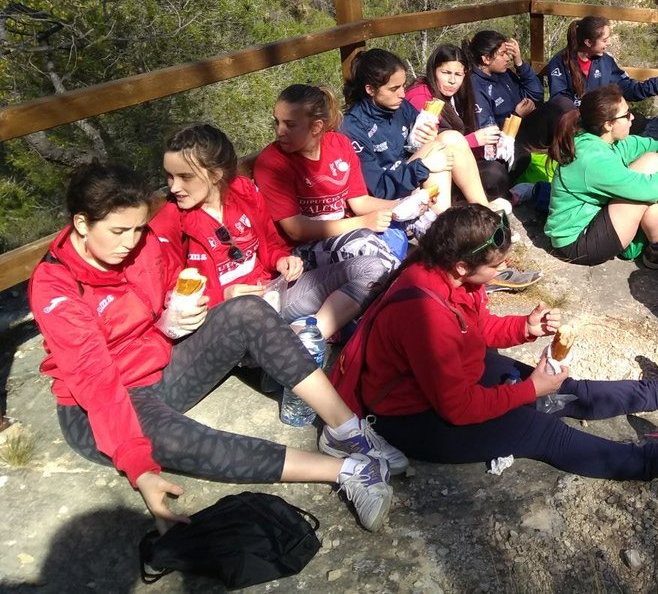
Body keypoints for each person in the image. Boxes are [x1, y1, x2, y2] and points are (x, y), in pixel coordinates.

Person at [29, 164, 404, 534]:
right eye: (118, 231)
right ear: (81, 223)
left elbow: (174, 285)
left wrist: (186, 310)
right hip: (101, 403)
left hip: (161, 363)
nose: (130, 241)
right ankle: (350, 472)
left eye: (139, 228)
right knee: (181, 439)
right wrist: (139, 469)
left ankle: (346, 430)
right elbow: (96, 381)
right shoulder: (55, 288)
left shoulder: (142, 245)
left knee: (247, 310)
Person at [331, 204, 658, 485]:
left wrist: (525, 328)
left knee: (562, 391)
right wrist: (529, 389)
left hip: (445, 382)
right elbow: (458, 408)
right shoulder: (423, 315)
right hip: (412, 418)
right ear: (462, 266)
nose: (505, 268)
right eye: (497, 266)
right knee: (540, 429)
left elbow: (477, 329)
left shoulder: (453, 276)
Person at [152, 124, 388, 339]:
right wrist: (223, 297)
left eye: (184, 177)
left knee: (373, 268)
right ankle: (298, 341)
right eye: (169, 176)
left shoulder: (243, 192)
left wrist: (282, 260)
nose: (174, 187)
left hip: (271, 294)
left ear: (216, 174)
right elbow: (171, 299)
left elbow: (270, 245)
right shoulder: (170, 222)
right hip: (228, 321)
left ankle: (310, 336)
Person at [545, 85, 658, 273]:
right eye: (627, 114)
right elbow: (644, 190)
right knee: (646, 189)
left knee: (652, 160)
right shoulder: (592, 158)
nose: (632, 118)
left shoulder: (609, 141)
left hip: (594, 219)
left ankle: (655, 243)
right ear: (608, 124)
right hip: (577, 242)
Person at [255, 82, 414, 269]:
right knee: (371, 251)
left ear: (316, 127)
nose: (279, 131)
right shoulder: (272, 163)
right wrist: (362, 222)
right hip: (302, 250)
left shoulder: (339, 144)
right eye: (277, 122)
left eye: (290, 125)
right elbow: (296, 231)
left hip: (347, 230)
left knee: (414, 225)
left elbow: (359, 201)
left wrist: (402, 205)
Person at [339, 49, 506, 215]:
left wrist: (427, 137)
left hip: (413, 180)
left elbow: (419, 145)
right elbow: (379, 189)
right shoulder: (354, 128)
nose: (403, 94)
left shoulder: (400, 106)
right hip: (388, 199)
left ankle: (484, 212)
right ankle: (444, 225)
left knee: (449, 139)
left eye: (403, 86)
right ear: (370, 89)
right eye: (394, 88)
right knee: (440, 149)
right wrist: (423, 165)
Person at [405, 43, 510, 202]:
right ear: (433, 71)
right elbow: (429, 145)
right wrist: (474, 140)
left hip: (454, 163)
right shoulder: (421, 97)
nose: (452, 81)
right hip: (428, 170)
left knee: (505, 165)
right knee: (494, 175)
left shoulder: (457, 94)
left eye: (458, 74)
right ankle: (472, 207)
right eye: (446, 73)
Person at [462, 30, 552, 176]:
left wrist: (520, 63)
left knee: (556, 110)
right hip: (504, 142)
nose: (507, 58)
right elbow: (489, 133)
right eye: (502, 54)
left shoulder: (504, 74)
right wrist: (516, 115)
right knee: (522, 157)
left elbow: (536, 93)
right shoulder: (476, 87)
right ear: (486, 59)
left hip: (524, 127)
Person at [544, 15, 658, 112]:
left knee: (635, 121)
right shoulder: (560, 62)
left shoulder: (605, 61)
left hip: (598, 120)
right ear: (588, 42)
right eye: (604, 40)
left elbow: (626, 87)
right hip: (572, 122)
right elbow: (559, 100)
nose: (609, 43)